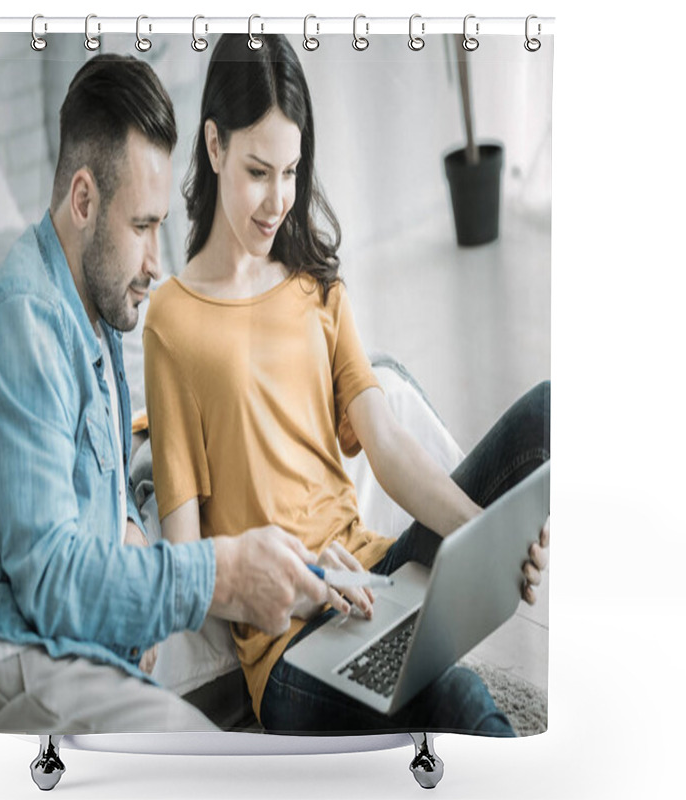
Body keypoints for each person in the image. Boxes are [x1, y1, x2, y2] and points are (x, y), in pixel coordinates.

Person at [0, 54, 344, 733]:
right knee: (201, 764)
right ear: (83, 200)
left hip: (79, 648)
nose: (156, 263)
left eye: (159, 226)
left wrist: (278, 563)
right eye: (141, 227)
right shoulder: (24, 323)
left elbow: (101, 508)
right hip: (5, 652)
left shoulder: (95, 310)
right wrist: (218, 574)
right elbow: (52, 578)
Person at [143, 34, 551, 736]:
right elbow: (186, 561)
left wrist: (480, 537)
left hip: (375, 580)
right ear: (213, 148)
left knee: (551, 412)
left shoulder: (314, 282)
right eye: (258, 171)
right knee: (456, 699)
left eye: (293, 171)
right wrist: (300, 581)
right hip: (291, 649)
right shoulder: (172, 322)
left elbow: (385, 441)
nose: (278, 201)